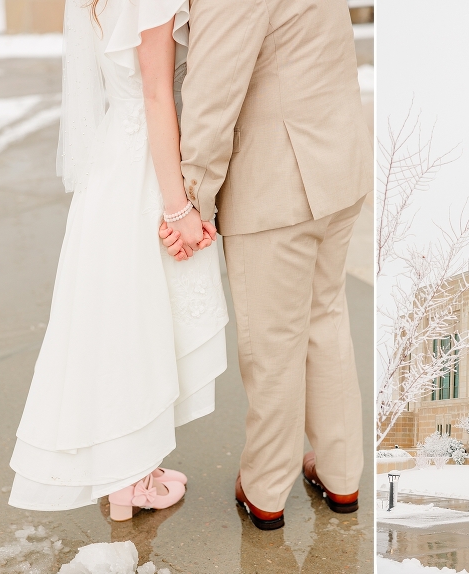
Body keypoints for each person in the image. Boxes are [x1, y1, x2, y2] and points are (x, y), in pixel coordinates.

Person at [8, 0, 227, 520]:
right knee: (140, 321)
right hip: (143, 170)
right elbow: (156, 95)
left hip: (114, 160)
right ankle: (132, 480)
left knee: (121, 319)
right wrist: (177, 208)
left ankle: (130, 475)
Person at [158, 0, 373, 530]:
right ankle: (341, 475)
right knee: (326, 322)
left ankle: (264, 490)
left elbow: (214, 92)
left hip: (277, 181)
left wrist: (191, 201)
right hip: (336, 165)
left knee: (272, 346)